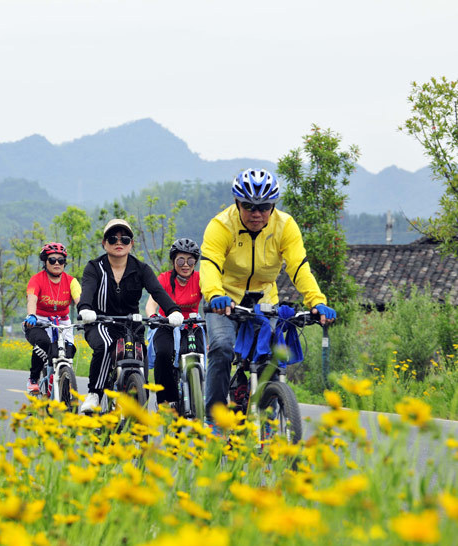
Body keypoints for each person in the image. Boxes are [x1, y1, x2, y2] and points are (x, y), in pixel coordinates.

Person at [200, 168, 336, 423]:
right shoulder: (221, 225)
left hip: (264, 300)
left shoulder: (285, 225)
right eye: (249, 206)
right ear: (237, 203)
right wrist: (215, 294)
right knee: (221, 347)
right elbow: (209, 265)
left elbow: (298, 266)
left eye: (264, 207)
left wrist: (316, 300)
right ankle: (214, 420)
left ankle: (269, 420)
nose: (257, 213)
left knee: (271, 357)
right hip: (223, 300)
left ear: (273, 205)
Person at [76, 219, 184, 413]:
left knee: (141, 362)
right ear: (104, 243)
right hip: (100, 322)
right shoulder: (94, 267)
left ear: (131, 244)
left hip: (130, 324)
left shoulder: (141, 269)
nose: (119, 243)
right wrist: (85, 309)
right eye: (113, 238)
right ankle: (95, 393)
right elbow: (87, 291)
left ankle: (138, 402)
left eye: (125, 239)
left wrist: (173, 310)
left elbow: (158, 292)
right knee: (104, 345)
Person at [145, 238, 205, 407]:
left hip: (191, 325)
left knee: (199, 353)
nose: (186, 264)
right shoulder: (164, 279)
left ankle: (198, 395)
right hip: (166, 324)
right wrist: (152, 316)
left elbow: (209, 295)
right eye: (180, 260)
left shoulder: (200, 279)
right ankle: (165, 401)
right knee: (163, 354)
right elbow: (152, 302)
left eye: (191, 260)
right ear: (173, 261)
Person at [23, 243, 81, 394]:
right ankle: (34, 379)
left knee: (68, 352)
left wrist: (86, 313)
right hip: (39, 320)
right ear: (45, 261)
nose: (57, 263)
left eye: (61, 260)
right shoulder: (36, 280)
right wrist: (31, 315)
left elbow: (80, 300)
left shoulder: (71, 281)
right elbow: (32, 300)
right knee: (43, 343)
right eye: (52, 260)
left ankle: (62, 381)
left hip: (62, 320)